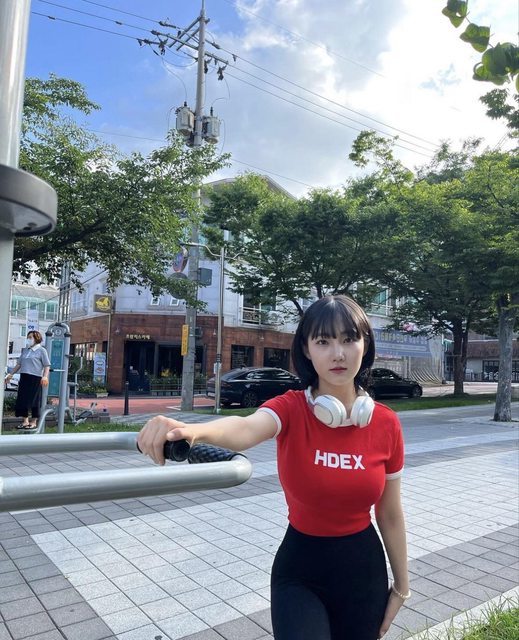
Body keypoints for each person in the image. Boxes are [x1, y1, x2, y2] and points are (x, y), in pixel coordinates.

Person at [138, 295, 410, 640]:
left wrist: (402, 587)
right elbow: (245, 428)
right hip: (300, 573)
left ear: (365, 344)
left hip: (363, 573)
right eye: (323, 341)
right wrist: (191, 430)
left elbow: (390, 514)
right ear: (306, 349)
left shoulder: (386, 424)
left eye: (348, 339)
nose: (338, 353)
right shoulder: (291, 409)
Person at [5, 330, 50, 431]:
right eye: (28, 337)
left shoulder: (42, 350)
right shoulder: (25, 350)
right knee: (22, 399)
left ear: (36, 338)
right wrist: (10, 374)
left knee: (34, 400)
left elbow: (46, 365)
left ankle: (33, 422)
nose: (28, 339)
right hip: (24, 376)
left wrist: (45, 376)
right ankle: (25, 421)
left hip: (35, 378)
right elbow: (19, 364)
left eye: (30, 337)